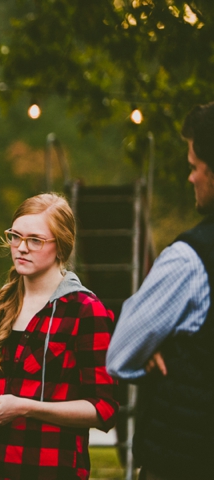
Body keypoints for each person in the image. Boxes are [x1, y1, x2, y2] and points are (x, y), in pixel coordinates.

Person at [0, 193, 118, 480]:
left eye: (35, 240)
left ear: (61, 247)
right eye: (15, 237)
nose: (21, 248)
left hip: (53, 469)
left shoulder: (85, 311)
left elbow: (103, 408)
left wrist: (25, 408)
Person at [106, 102, 214, 480]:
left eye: (193, 167)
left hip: (187, 459)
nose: (190, 179)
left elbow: (120, 354)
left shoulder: (189, 258)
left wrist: (161, 342)